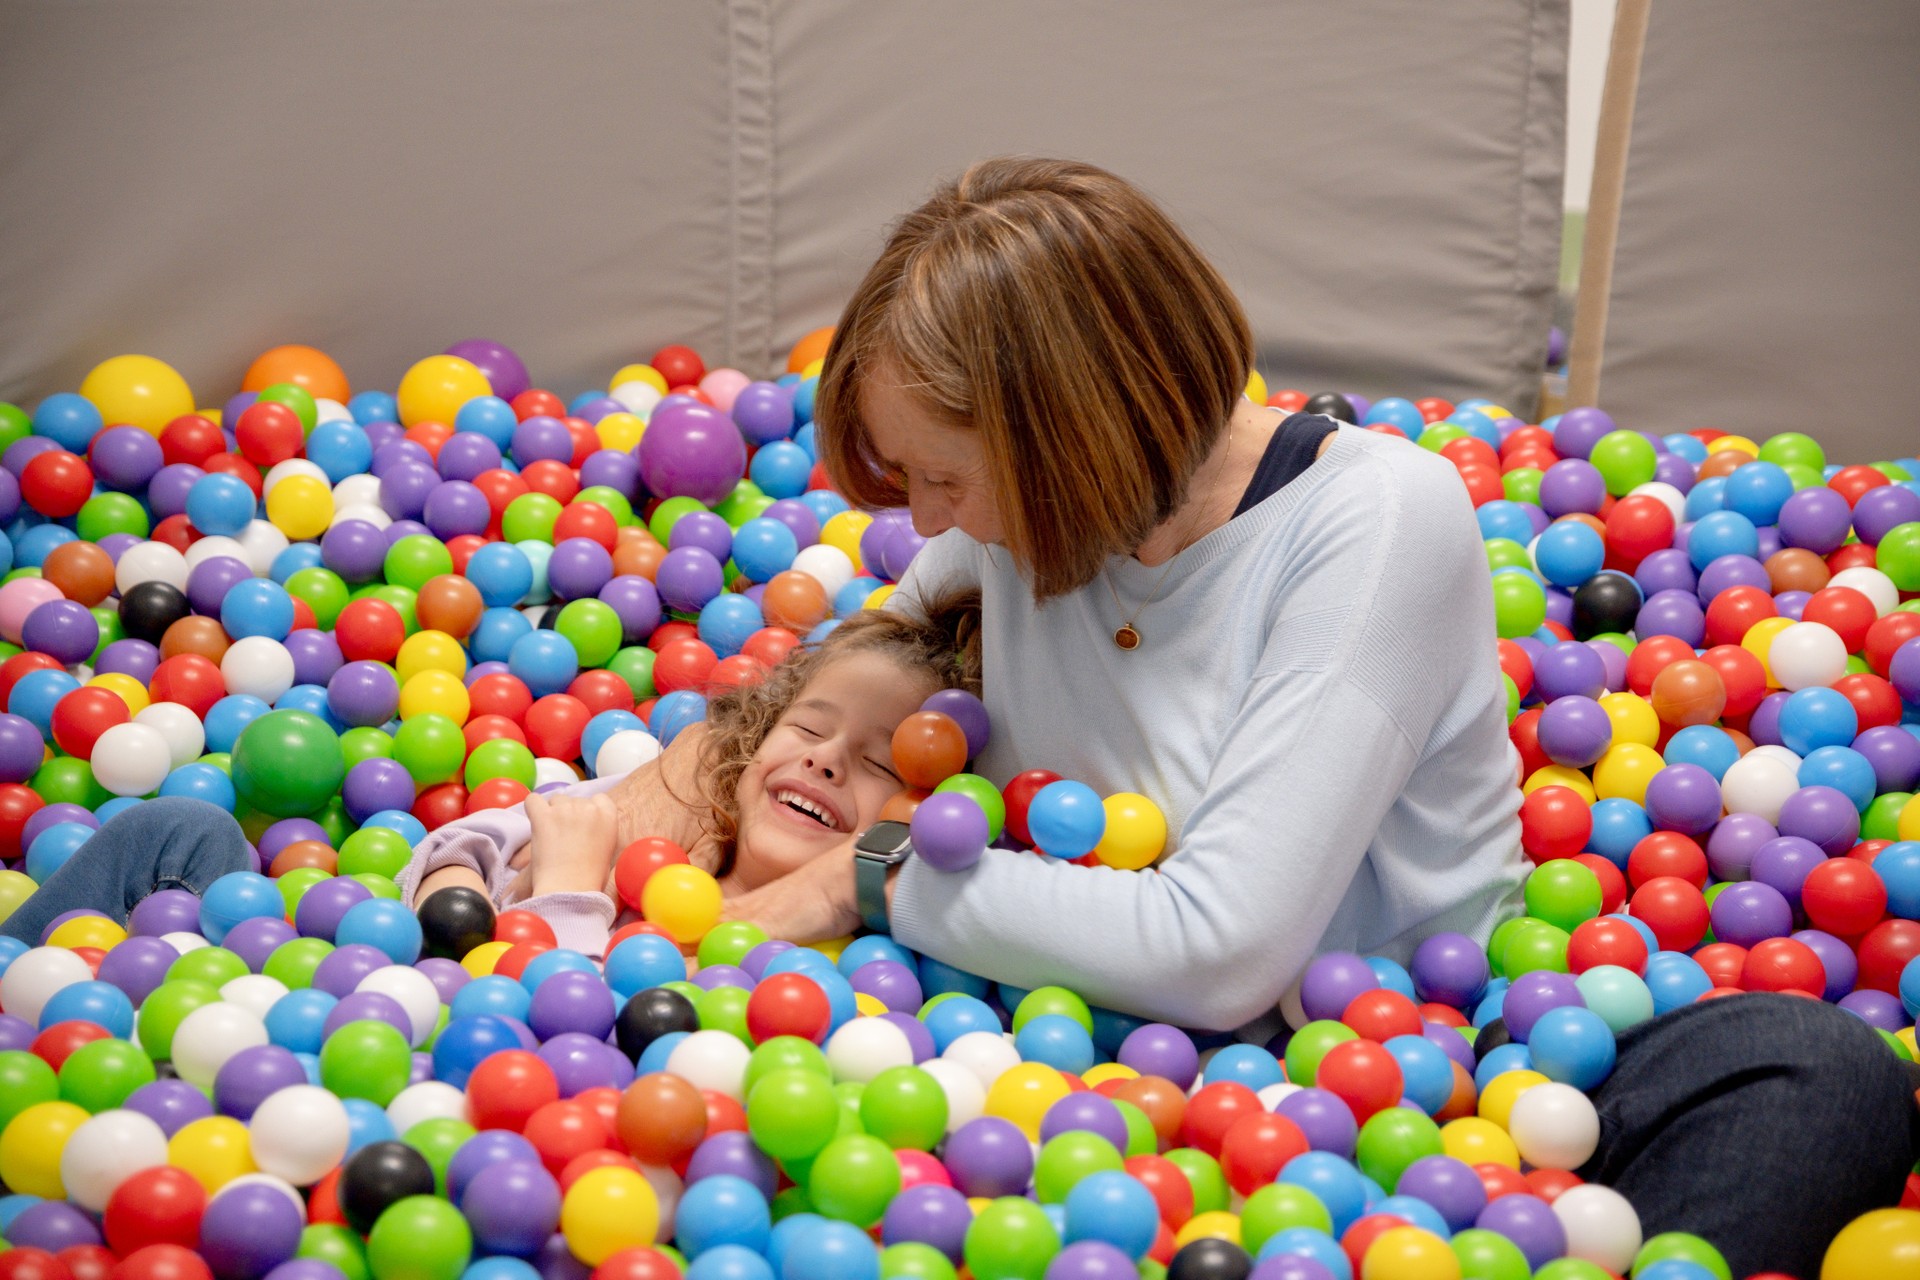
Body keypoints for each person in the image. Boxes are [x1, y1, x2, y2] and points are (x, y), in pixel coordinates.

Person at [712, 156, 1917, 1275]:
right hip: (1071, 1080)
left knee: (1815, 1069)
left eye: (943, 475)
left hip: (1436, 1077)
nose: (925, 524)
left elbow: (1223, 946)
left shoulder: (1375, 514)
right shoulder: (1007, 534)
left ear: (1072, 439)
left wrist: (868, 878)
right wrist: (580, 839)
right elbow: (802, 699)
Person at [0, 592, 981, 961]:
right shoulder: (671, 840)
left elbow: (566, 1043)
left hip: (410, 1080)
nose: (823, 758)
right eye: (811, 726)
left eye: (877, 762)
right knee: (177, 830)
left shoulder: (816, 960)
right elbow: (472, 842)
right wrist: (460, 873)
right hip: (331, 970)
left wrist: (562, 905)